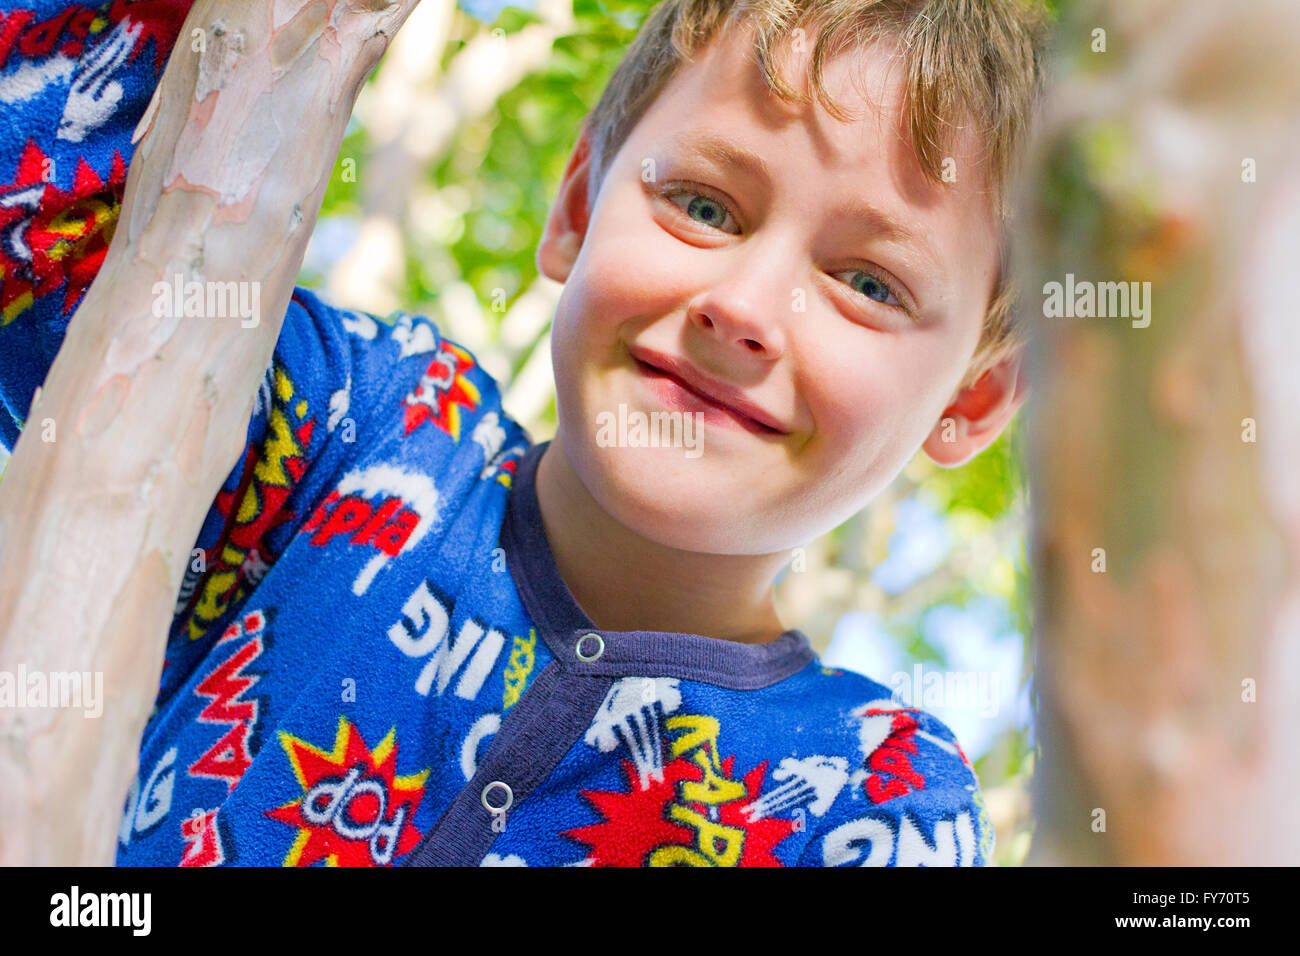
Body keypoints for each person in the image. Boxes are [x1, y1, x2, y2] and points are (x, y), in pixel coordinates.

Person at [0, 0, 1048, 866]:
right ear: (579, 209)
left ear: (969, 401)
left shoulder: (875, 798)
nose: (746, 306)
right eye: (704, 205)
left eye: (866, 281)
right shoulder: (363, 428)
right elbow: (37, 246)